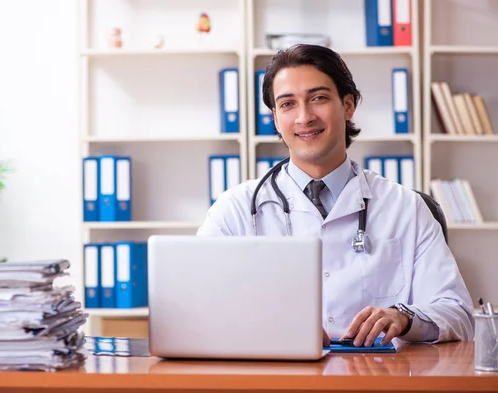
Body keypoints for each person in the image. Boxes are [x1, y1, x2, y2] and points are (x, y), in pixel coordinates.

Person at [197, 44, 474, 347]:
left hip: (378, 384)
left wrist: (404, 317)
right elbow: (198, 310)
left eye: (318, 98)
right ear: (276, 118)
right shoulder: (234, 211)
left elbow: (458, 314)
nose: (304, 117)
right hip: (275, 383)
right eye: (288, 104)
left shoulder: (406, 208)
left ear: (348, 105)